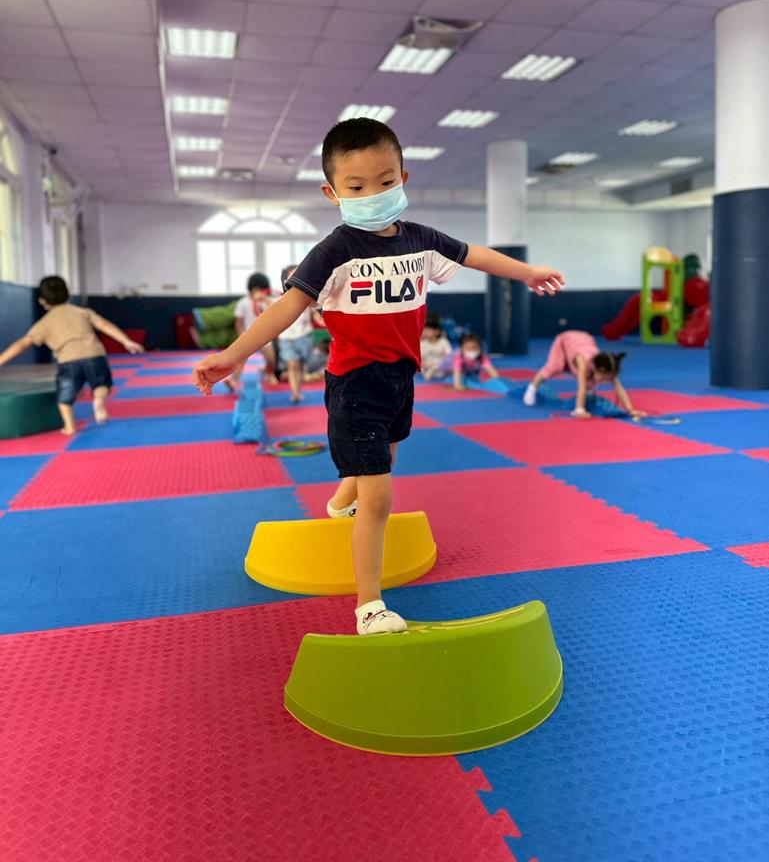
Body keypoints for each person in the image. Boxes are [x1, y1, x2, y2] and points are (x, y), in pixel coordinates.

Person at [192, 117, 565, 635]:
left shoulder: (420, 240)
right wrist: (235, 355)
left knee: (381, 461)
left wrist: (528, 272)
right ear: (332, 193)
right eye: (356, 187)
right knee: (380, 497)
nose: (373, 194)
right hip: (354, 384)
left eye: (385, 181)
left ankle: (338, 501)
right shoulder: (334, 252)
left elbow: (473, 254)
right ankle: (369, 605)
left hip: (400, 378)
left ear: (403, 179)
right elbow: (287, 307)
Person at [0, 275, 143, 435]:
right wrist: (126, 341)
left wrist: (1, 360)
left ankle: (70, 426)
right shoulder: (82, 312)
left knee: (65, 398)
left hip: (68, 361)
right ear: (68, 294)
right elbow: (104, 325)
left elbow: (22, 344)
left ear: (42, 301)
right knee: (101, 384)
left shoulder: (44, 323)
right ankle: (98, 401)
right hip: (94, 355)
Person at [523, 330, 642, 418]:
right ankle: (532, 387)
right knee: (554, 367)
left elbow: (619, 389)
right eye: (604, 378)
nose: (605, 381)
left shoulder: (607, 367)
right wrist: (579, 409)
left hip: (584, 339)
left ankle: (588, 396)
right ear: (597, 368)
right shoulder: (583, 362)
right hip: (565, 341)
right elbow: (581, 386)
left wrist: (630, 410)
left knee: (591, 381)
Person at [227, 272, 278, 392]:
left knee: (271, 360)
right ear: (251, 289)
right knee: (240, 360)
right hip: (248, 337)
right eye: (255, 289)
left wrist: (264, 299)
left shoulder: (266, 301)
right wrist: (241, 337)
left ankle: (269, 373)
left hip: (264, 336)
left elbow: (275, 313)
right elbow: (239, 322)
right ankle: (233, 380)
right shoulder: (243, 302)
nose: (258, 292)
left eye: (261, 289)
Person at [278, 264, 322, 403]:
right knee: (292, 364)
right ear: (286, 281)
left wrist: (323, 321)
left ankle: (298, 389)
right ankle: (295, 392)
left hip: (304, 335)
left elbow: (315, 313)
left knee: (301, 365)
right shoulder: (281, 299)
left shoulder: (307, 297)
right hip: (287, 337)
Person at [420, 316, 452, 380]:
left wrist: (438, 365)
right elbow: (422, 360)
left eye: (427, 329)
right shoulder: (422, 344)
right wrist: (428, 365)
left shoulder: (443, 342)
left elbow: (449, 356)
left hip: (441, 368)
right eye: (424, 329)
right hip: (427, 369)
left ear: (437, 331)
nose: (424, 331)